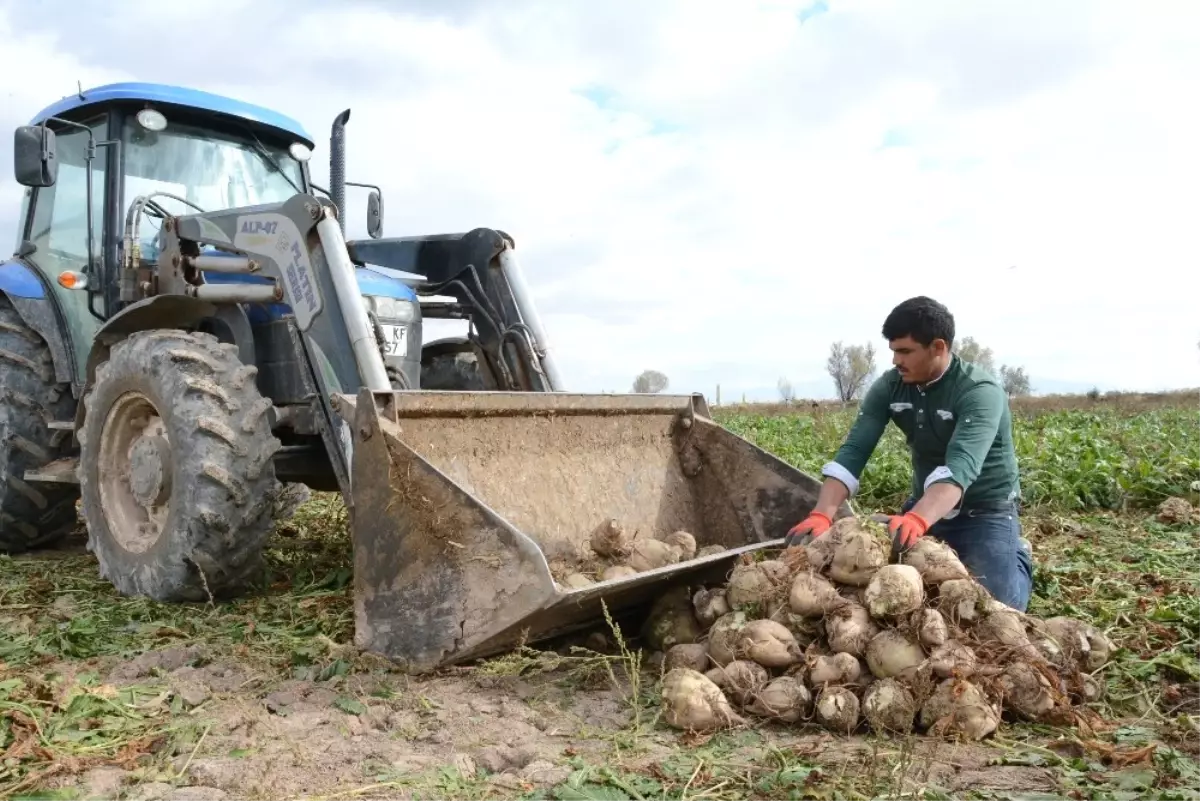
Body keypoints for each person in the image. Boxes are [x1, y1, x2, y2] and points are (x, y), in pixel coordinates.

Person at [784, 296, 1033, 611]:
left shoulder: (979, 392)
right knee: (891, 585)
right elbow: (854, 451)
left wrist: (916, 519)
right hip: (926, 503)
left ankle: (1017, 556)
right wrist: (822, 513)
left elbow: (960, 468)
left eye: (904, 351)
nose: (895, 361)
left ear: (938, 347)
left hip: (985, 510)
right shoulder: (891, 387)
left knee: (995, 605)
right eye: (893, 351)